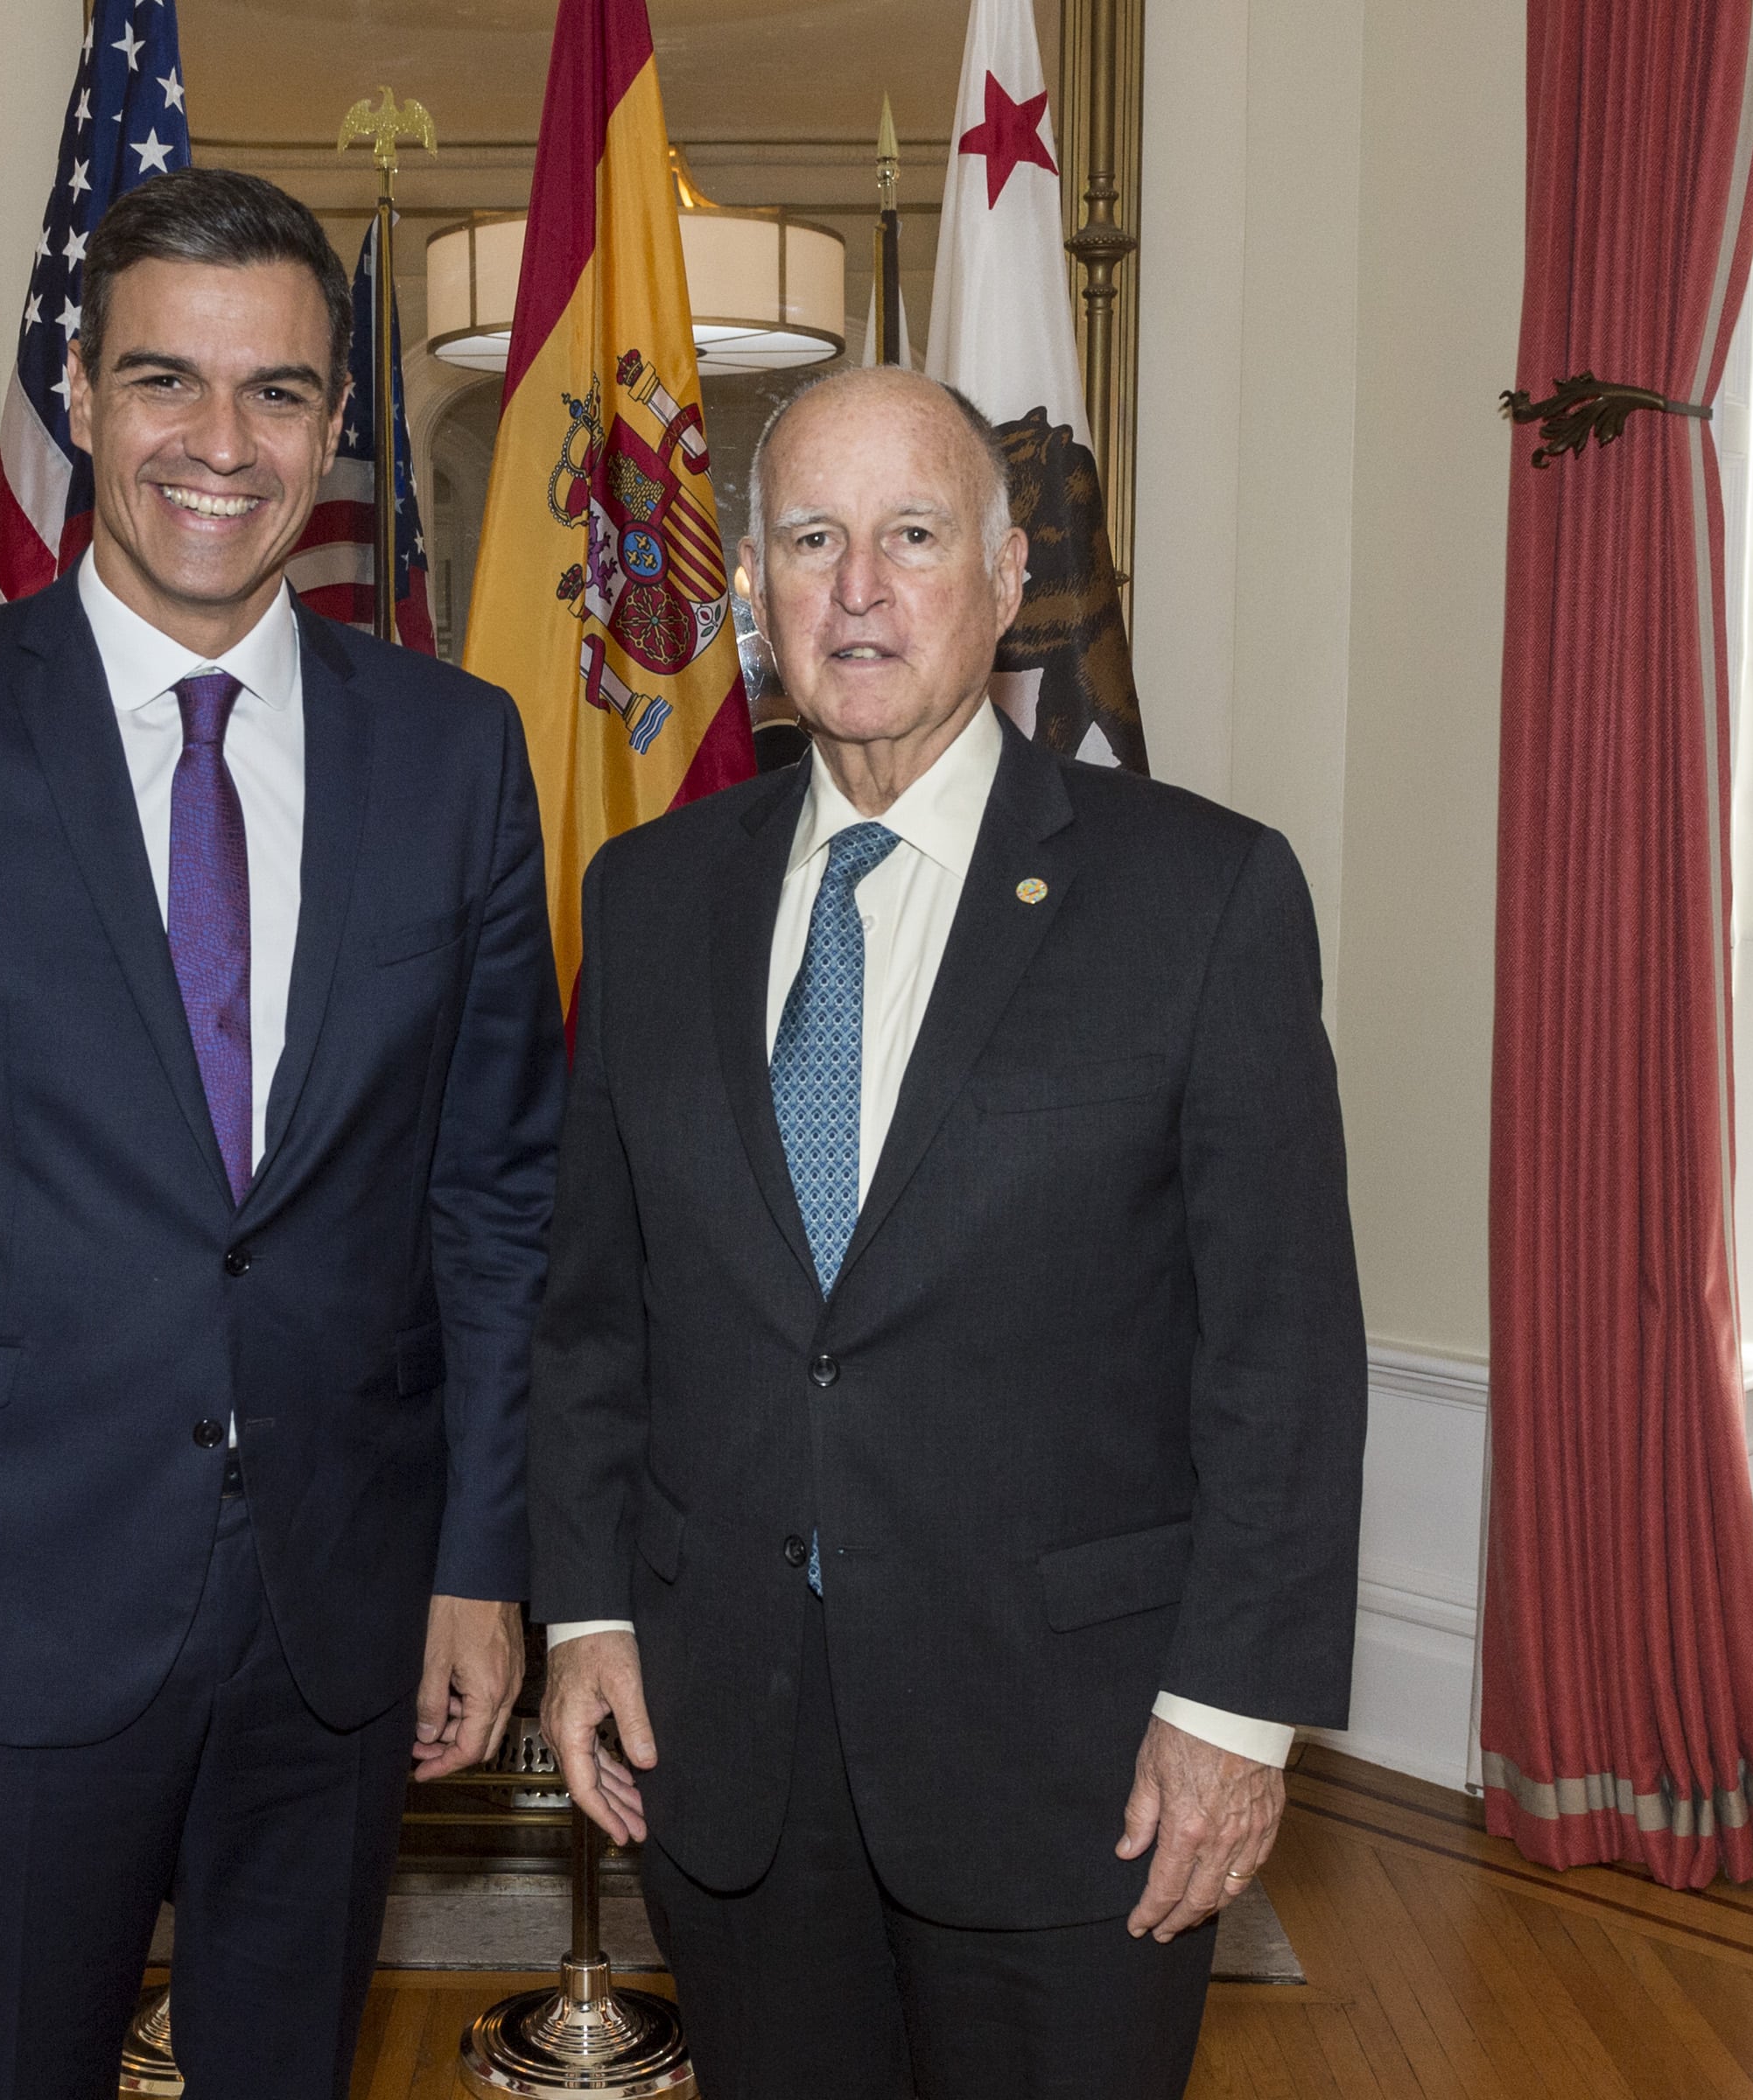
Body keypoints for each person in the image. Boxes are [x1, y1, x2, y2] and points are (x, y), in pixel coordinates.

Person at [0, 167, 564, 2100]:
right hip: (4, 1601)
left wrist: (479, 1561)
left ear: (334, 431)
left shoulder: (455, 752)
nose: (217, 443)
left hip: (343, 1613)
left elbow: (501, 1199)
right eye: (164, 379)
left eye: (274, 394)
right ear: (78, 395)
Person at [529, 365, 1365, 2100]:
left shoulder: (1202, 897)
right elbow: (596, 1313)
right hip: (730, 1736)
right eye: (812, 539)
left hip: (1076, 1754)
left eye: (912, 536)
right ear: (748, 589)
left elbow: (1279, 1346)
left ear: (1002, 579)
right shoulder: (649, 896)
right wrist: (585, 1611)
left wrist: (1229, 1719)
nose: (858, 586)